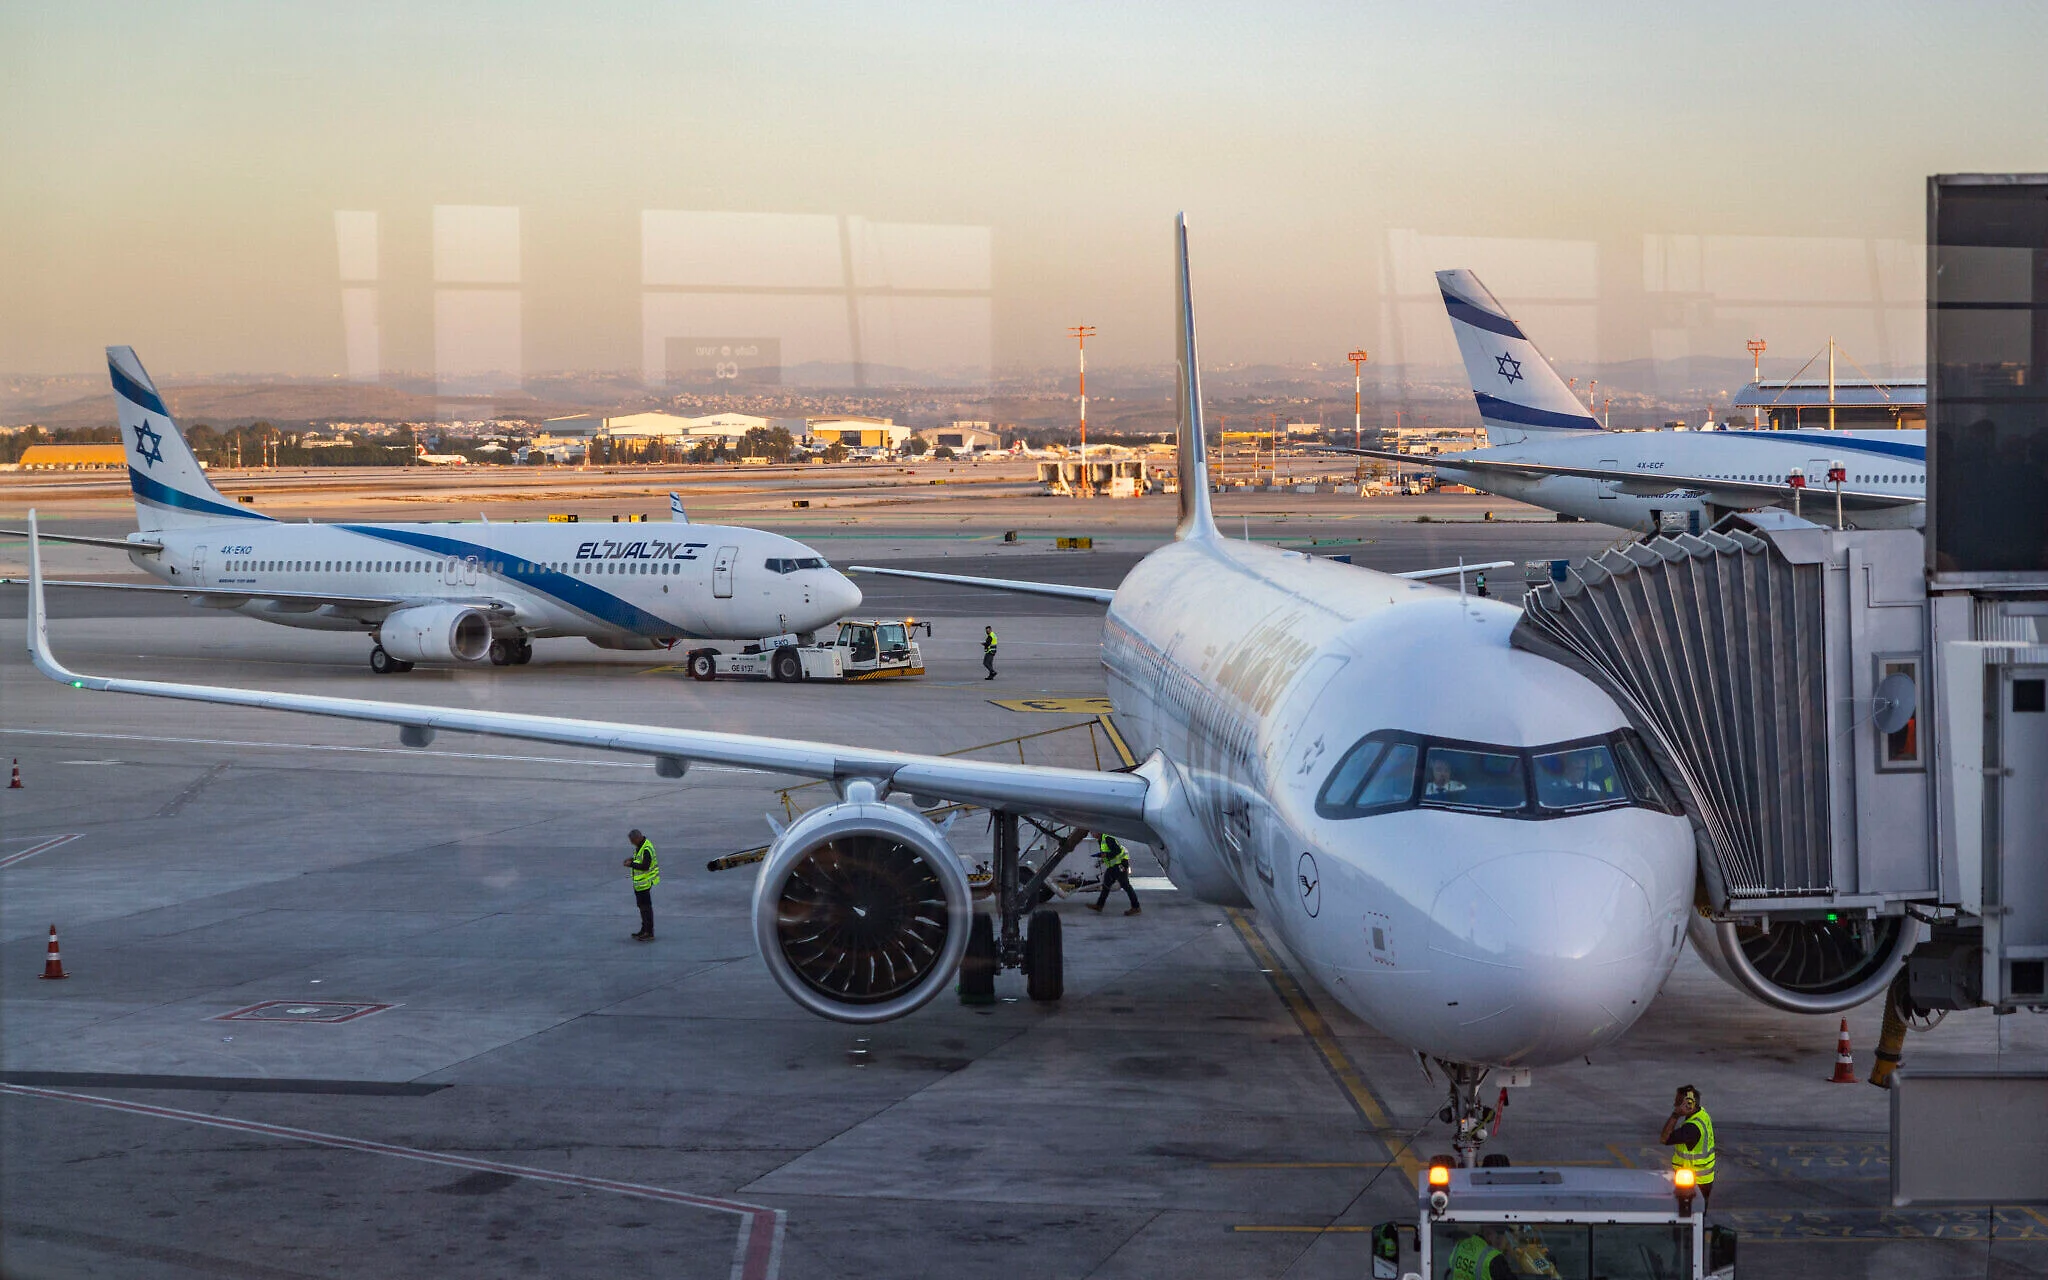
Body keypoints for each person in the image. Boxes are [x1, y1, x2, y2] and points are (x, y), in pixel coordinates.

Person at [1660, 1083, 1716, 1207]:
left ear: (1689, 1104)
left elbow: (1664, 1139)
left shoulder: (1692, 1128)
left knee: (1689, 1217)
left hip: (1694, 1183)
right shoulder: (1701, 1114)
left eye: (1678, 1102)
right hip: (1703, 1180)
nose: (1675, 1105)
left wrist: (1675, 1115)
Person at [1089, 832, 1140, 916]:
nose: (1092, 834)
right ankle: (1099, 905)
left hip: (1119, 865)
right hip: (1113, 866)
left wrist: (1105, 855)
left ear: (1098, 831)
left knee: (1126, 886)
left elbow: (1117, 851)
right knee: (1106, 885)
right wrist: (1103, 858)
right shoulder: (1101, 840)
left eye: (1093, 832)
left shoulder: (1107, 838)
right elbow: (1108, 852)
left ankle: (1136, 907)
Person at [622, 828, 659, 941]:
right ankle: (644, 930)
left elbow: (645, 866)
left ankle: (649, 932)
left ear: (637, 838)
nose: (631, 843)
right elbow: (640, 860)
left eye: (632, 840)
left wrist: (631, 864)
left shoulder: (646, 848)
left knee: (646, 908)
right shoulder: (641, 846)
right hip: (640, 884)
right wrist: (632, 860)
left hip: (645, 883)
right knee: (642, 908)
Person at [1444, 1225, 1514, 1280]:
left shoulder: (1460, 1245)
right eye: (1499, 1236)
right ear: (1489, 1234)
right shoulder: (1493, 1257)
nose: (1502, 1239)